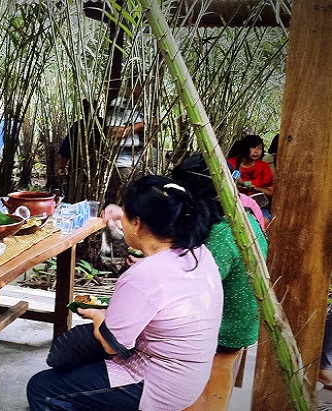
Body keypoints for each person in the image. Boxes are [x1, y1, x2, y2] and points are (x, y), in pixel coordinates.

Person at [28, 175, 223, 411]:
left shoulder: (145, 275)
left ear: (138, 223)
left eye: (126, 216)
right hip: (191, 374)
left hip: (158, 384)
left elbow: (113, 346)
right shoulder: (197, 252)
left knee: (41, 388)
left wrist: (97, 315)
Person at [171, 153, 268, 410]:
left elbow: (196, 283)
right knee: (221, 367)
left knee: (197, 371)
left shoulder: (223, 235)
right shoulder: (243, 217)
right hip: (244, 320)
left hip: (226, 325)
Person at [103, 82, 145, 205]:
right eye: (140, 87)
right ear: (131, 87)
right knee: (123, 200)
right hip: (122, 164)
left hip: (134, 163)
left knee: (128, 200)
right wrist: (141, 125)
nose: (141, 92)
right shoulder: (118, 104)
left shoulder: (136, 107)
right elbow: (115, 132)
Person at [57, 99, 104, 183]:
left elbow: (65, 151)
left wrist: (61, 167)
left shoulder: (77, 126)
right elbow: (66, 149)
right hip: (98, 171)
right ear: (98, 109)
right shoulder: (104, 125)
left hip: (79, 170)